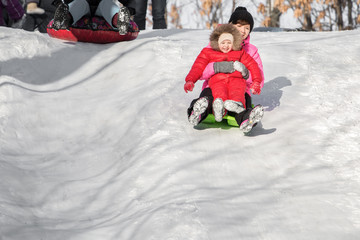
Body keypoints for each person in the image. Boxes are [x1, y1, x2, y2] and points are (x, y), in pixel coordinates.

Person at [185, 6, 265, 133]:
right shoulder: (216, 45)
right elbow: (201, 69)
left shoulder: (251, 51)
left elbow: (258, 74)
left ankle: (247, 119)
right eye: (239, 25)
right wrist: (216, 68)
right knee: (208, 98)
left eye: (247, 28)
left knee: (242, 103)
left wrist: (242, 72)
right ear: (231, 25)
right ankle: (198, 112)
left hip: (240, 88)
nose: (243, 30)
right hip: (214, 85)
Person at [52, 0, 136, 35]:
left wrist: (130, 7)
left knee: (109, 6)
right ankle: (64, 17)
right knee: (77, 4)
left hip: (102, 3)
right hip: (83, 2)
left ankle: (119, 20)